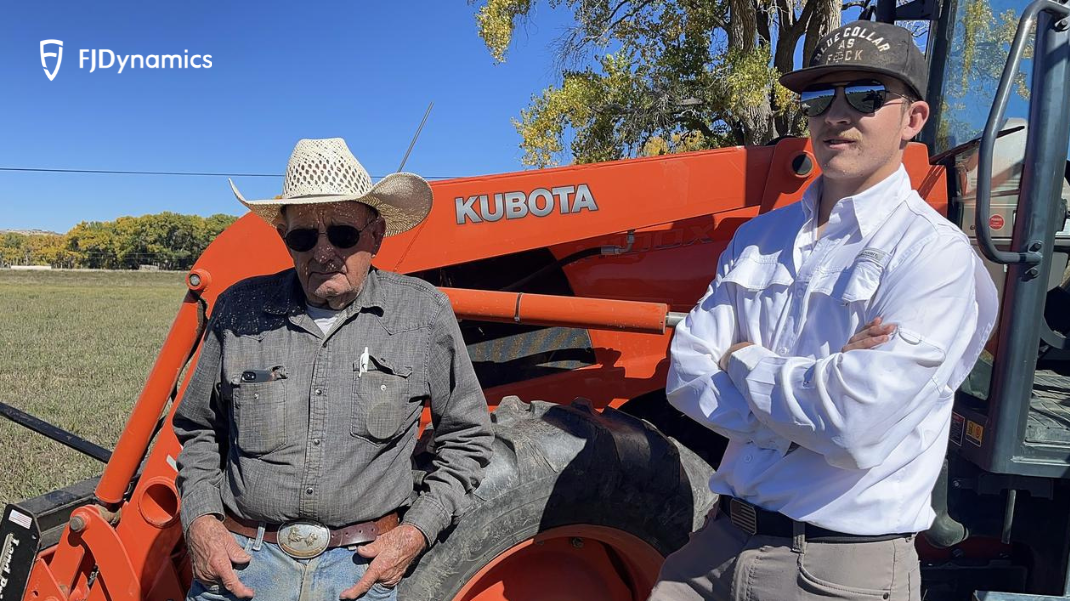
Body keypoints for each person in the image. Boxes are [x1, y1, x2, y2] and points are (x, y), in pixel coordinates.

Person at [649, 21, 998, 601]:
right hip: (714, 548)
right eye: (818, 97)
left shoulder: (933, 254)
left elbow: (853, 424)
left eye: (865, 95)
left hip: (835, 571)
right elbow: (686, 374)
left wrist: (741, 359)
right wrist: (810, 407)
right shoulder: (759, 237)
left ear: (913, 119)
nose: (836, 114)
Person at [173, 138, 493, 601]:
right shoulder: (239, 310)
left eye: (342, 234)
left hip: (363, 570)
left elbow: (467, 436)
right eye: (304, 237)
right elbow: (199, 429)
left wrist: (415, 533)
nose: (322, 253)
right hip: (242, 566)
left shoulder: (423, 314)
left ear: (376, 235)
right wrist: (202, 522)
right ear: (284, 238)